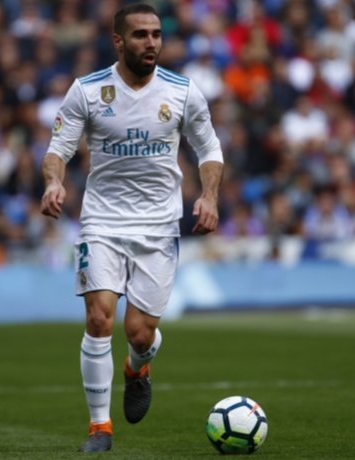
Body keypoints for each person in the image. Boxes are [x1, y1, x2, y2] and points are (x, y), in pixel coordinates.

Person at [40, 3, 224, 453]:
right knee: (99, 316)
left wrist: (209, 195)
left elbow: (209, 149)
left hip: (158, 226)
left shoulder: (182, 92)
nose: (152, 43)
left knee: (140, 333)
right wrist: (53, 183)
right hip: (102, 221)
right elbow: (57, 147)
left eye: (157, 34)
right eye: (141, 35)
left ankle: (137, 368)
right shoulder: (87, 91)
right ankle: (99, 428)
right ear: (119, 42)